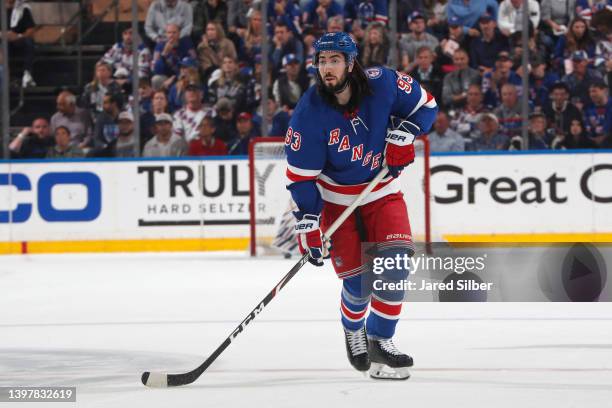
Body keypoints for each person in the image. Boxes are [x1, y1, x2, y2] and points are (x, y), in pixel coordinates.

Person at [284, 32, 437, 379]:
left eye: (334, 60)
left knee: (396, 265)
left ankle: (380, 339)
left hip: (382, 192)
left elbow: (427, 106)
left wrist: (407, 132)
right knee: (360, 285)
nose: (326, 69)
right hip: (337, 204)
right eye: (321, 62)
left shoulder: (383, 83)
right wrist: (308, 222)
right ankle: (354, 329)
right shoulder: (308, 114)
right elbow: (301, 178)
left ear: (351, 63)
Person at [4, 0, 36, 87]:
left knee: (29, 41)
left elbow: (31, 30)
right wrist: (4, 35)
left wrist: (18, 35)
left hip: (18, 40)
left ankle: (27, 75)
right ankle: (5, 78)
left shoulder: (23, 9)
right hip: (3, 40)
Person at [583, 81, 612, 146]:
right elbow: (587, 128)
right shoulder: (588, 108)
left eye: (594, 91)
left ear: (605, 91)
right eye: (590, 92)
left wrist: (604, 137)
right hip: (592, 144)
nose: (591, 94)